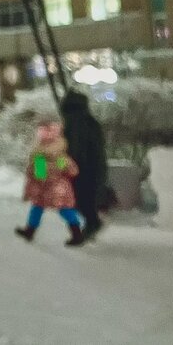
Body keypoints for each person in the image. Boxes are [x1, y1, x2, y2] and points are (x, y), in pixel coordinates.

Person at [15, 121, 85, 246]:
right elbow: (72, 171)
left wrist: (39, 174)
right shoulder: (57, 155)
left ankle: (31, 231)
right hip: (57, 187)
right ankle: (76, 232)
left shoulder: (42, 156)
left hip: (51, 188)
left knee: (45, 207)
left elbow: (39, 174)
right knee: (53, 208)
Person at [61, 90, 107, 240]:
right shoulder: (90, 122)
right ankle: (90, 225)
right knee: (85, 199)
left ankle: (91, 224)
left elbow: (74, 148)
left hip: (82, 169)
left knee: (79, 200)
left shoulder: (75, 123)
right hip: (93, 168)